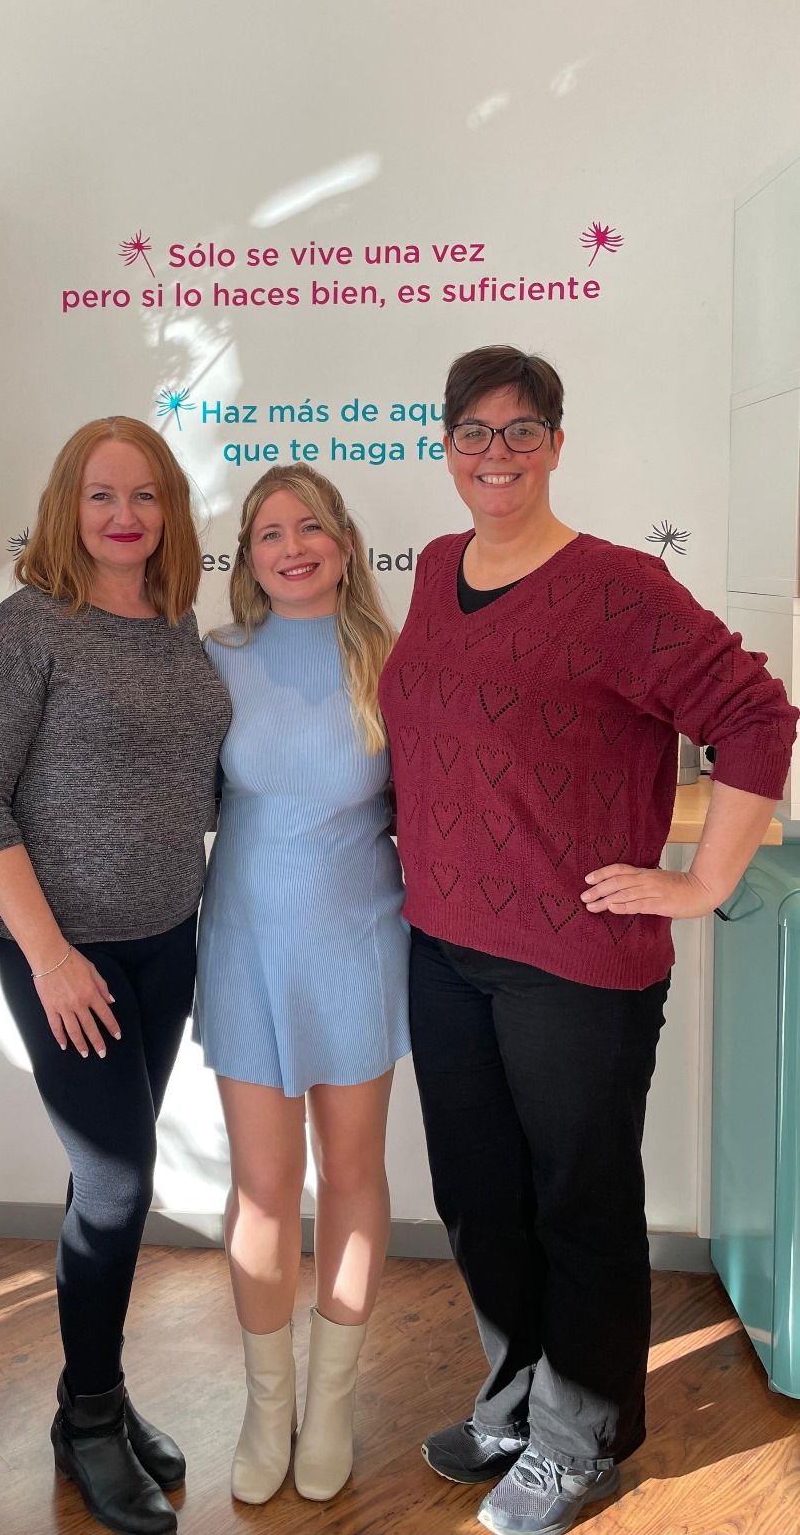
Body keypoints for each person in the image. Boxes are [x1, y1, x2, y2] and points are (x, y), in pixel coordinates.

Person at [379, 346, 798, 1535]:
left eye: (522, 431)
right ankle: (516, 1396)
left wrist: (701, 880)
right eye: (473, 430)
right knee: (476, 1192)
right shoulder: (439, 569)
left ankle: (582, 1438)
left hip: (574, 959)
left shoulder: (620, 587)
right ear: (444, 444)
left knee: (581, 1199)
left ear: (558, 444)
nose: (496, 453)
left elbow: (755, 714)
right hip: (445, 941)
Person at [0, 415, 231, 1535]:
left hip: (167, 940)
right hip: (62, 956)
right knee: (116, 1184)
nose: (124, 516)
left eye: (146, 496)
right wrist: (52, 956)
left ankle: (92, 1408)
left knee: (104, 1182)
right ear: (67, 506)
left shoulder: (176, 624)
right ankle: (89, 1409)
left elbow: (193, 782)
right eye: (102, 495)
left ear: (169, 512)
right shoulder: (30, 628)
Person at [196, 465, 408, 1505]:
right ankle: (262, 1401)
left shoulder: (391, 658)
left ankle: (328, 1405)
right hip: (244, 947)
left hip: (360, 947)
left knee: (353, 1175)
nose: (291, 546)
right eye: (268, 533)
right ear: (245, 558)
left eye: (308, 526)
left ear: (342, 539)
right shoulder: (215, 660)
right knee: (263, 1186)